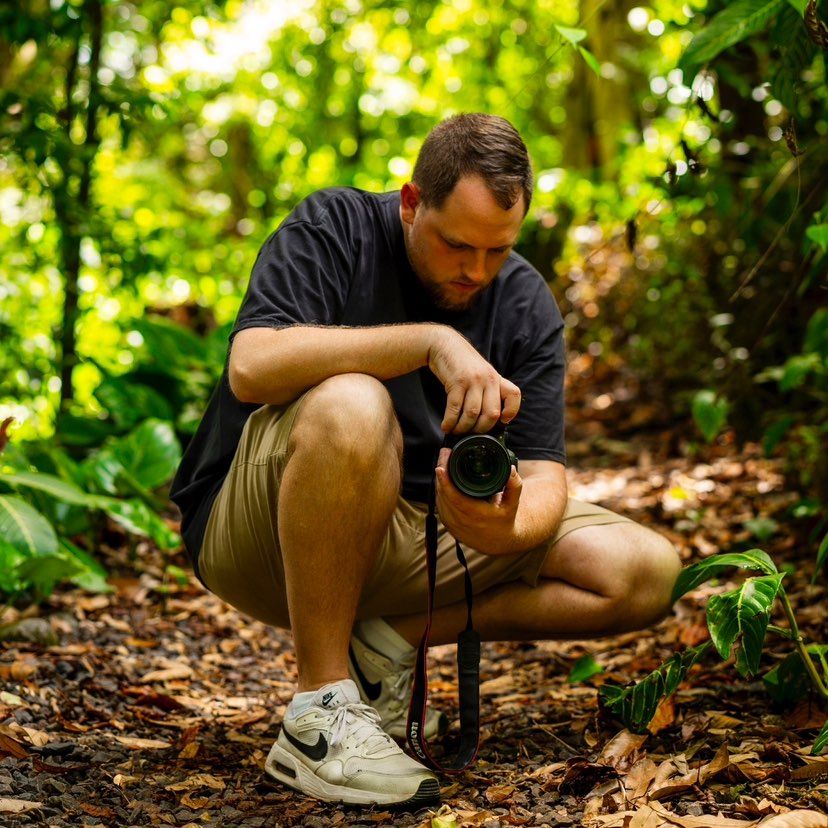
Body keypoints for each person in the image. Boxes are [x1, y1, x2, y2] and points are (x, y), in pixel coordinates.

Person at [170, 113, 682, 808]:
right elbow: (251, 368)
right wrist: (429, 342)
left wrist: (514, 530)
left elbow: (544, 477)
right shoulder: (335, 227)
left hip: (417, 535)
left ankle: (382, 648)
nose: (476, 271)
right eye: (456, 245)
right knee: (355, 403)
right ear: (412, 203)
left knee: (645, 570)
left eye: (498, 251)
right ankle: (318, 715)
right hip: (260, 527)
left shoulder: (525, 300)